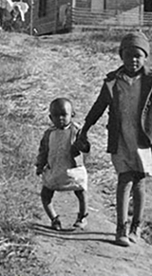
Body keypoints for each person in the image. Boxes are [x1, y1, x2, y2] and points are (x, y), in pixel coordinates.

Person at [79, 32, 152, 247]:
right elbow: (98, 107)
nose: (133, 60)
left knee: (139, 182)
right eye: (129, 55)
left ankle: (136, 227)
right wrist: (85, 128)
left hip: (143, 140)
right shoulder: (113, 82)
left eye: (138, 56)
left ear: (145, 57)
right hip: (121, 139)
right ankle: (120, 228)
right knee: (124, 180)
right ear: (121, 56)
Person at [36, 97, 90, 230]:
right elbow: (43, 150)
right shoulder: (49, 133)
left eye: (64, 115)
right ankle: (54, 219)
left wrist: (82, 145)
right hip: (54, 169)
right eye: (55, 115)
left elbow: (86, 147)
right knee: (45, 194)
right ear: (50, 117)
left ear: (72, 114)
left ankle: (82, 217)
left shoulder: (76, 131)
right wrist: (39, 165)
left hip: (73, 171)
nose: (60, 118)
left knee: (81, 192)